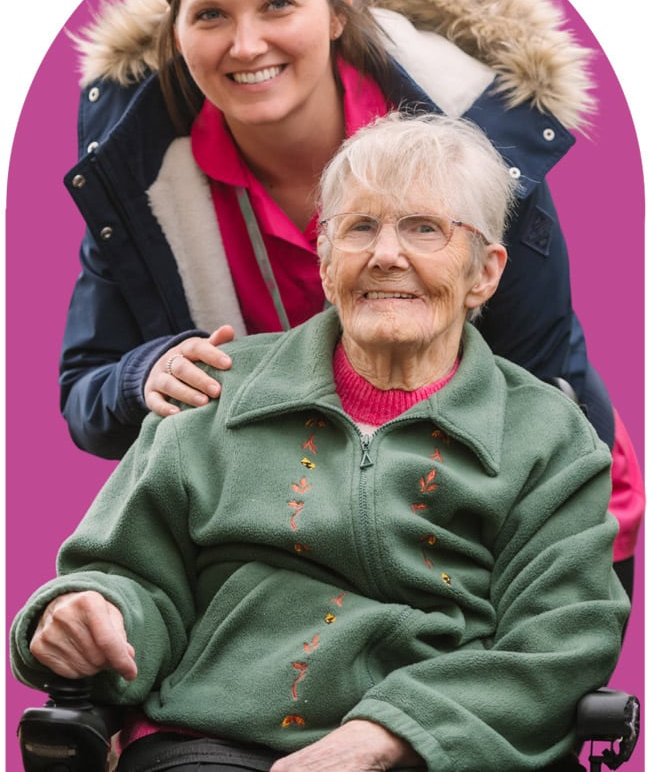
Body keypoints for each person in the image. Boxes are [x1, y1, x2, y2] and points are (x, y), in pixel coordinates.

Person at [60, 0, 643, 585]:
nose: (247, 44)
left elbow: (540, 380)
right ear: (175, 32)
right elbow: (86, 389)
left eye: (278, 4)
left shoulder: (479, 139)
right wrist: (142, 374)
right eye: (210, 15)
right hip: (297, 530)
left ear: (337, 9)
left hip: (512, 520)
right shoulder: (137, 176)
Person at [12, 114, 629, 772]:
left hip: (437, 750)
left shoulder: (549, 437)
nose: (385, 254)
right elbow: (132, 575)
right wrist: (92, 611)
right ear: (327, 263)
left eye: (425, 227)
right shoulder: (215, 390)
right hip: (213, 741)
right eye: (360, 227)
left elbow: (561, 642)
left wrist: (393, 733)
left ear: (485, 271)